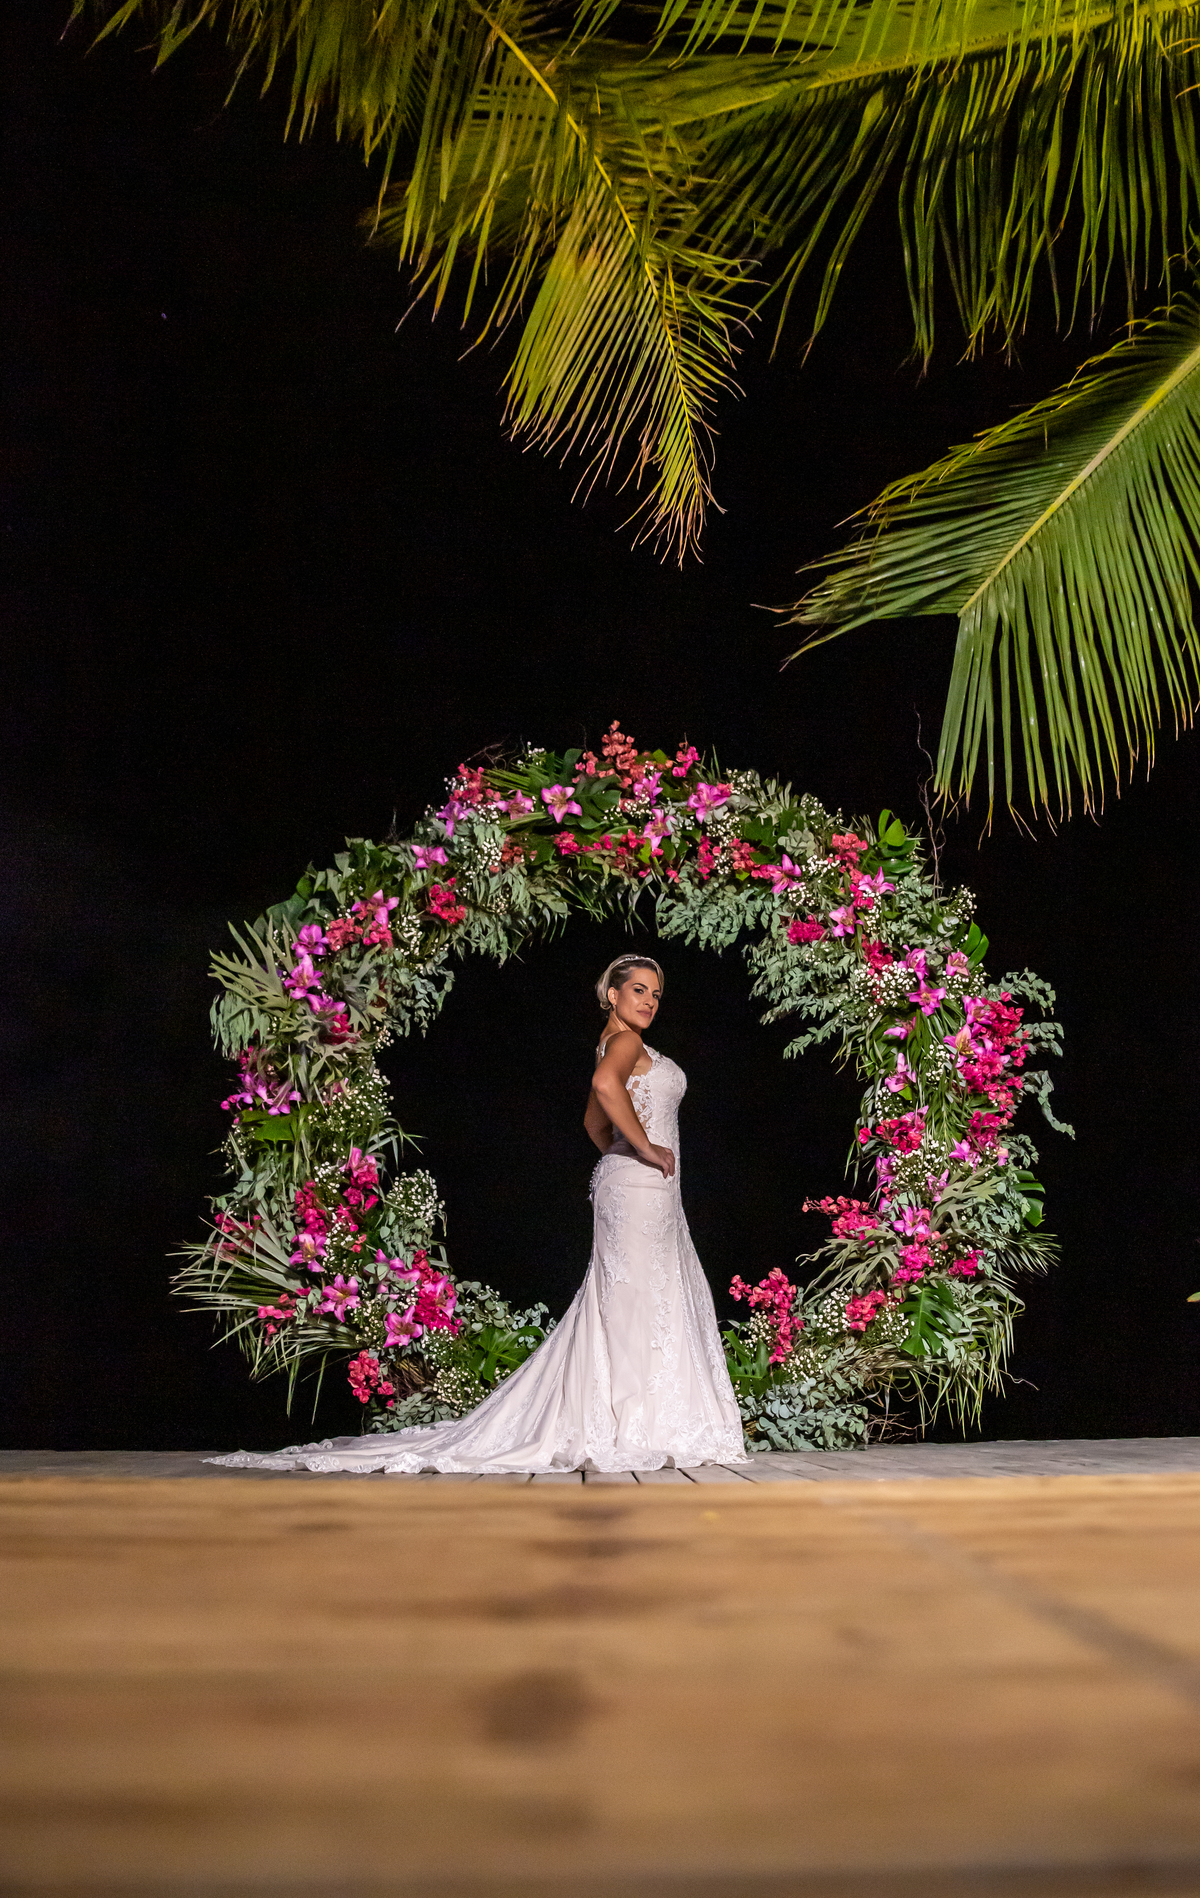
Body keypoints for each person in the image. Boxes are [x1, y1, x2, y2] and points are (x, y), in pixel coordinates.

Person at [207, 953, 746, 1474]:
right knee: (634, 1297)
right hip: (639, 1189)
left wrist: (626, 1155)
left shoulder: (614, 1042)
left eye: (656, 993)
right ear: (612, 994)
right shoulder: (624, 1041)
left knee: (635, 1296)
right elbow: (604, 1091)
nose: (650, 1001)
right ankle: (637, 1424)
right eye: (638, 989)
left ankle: (639, 1419)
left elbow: (592, 1123)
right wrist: (646, 1151)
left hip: (635, 1190)